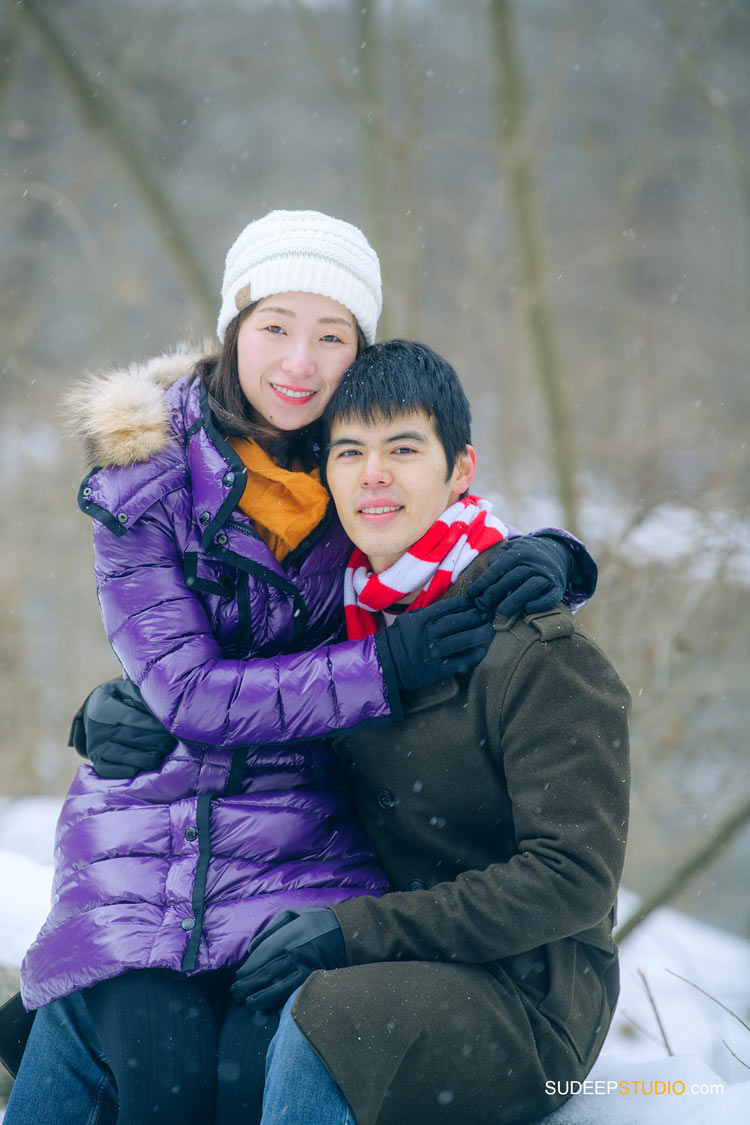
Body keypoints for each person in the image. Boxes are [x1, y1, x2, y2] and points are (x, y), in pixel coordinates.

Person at [3, 212, 596, 1124]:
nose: (299, 363)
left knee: (253, 1072)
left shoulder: (348, 457)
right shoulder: (145, 475)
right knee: (162, 1071)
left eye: (332, 337)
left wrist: (557, 555)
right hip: (153, 826)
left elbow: (446, 515)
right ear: (234, 325)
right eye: (276, 326)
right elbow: (189, 690)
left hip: (304, 842)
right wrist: (380, 668)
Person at [234, 339, 631, 1124]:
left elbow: (573, 879)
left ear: (459, 469)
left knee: (330, 1015)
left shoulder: (537, 647)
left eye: (403, 448)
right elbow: (235, 691)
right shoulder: (345, 632)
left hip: (528, 997)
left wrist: (351, 931)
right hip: (397, 957)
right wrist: (140, 707)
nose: (372, 474)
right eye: (349, 451)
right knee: (154, 1004)